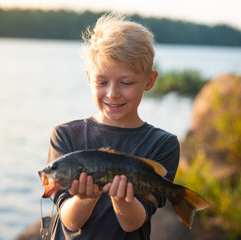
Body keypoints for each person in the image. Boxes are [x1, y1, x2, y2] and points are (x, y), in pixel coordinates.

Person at [46, 12, 180, 240]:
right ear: (89, 78)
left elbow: (133, 224)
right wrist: (85, 198)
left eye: (126, 82)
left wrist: (121, 198)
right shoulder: (65, 135)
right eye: (101, 82)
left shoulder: (163, 144)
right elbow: (70, 220)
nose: (112, 93)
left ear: (149, 81)